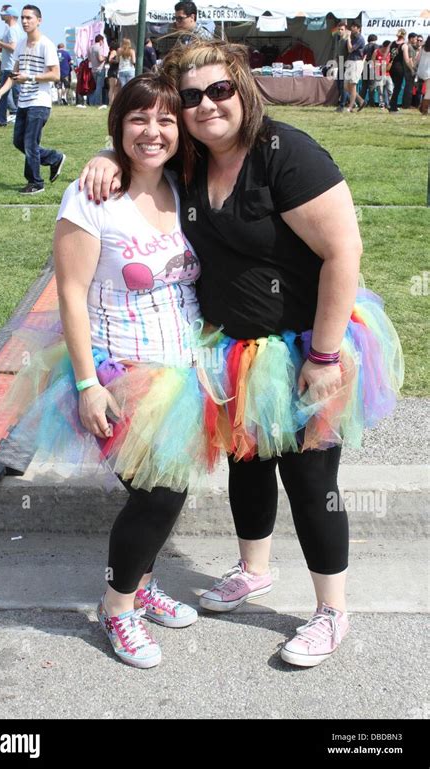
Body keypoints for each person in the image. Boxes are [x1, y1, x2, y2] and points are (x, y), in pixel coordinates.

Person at [79, 40, 403, 668]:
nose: (207, 105)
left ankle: (331, 611)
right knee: (248, 466)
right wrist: (106, 155)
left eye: (220, 90)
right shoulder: (193, 160)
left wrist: (324, 357)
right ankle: (254, 569)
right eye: (191, 96)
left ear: (244, 89)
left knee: (311, 480)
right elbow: (144, 146)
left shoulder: (288, 154)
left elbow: (344, 253)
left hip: (306, 345)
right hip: (231, 352)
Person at [0, 72, 217, 669]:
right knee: (157, 497)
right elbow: (69, 293)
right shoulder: (91, 198)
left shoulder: (183, 186)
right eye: (138, 118)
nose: (153, 131)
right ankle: (117, 608)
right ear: (118, 125)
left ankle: (140, 584)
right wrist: (89, 384)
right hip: (119, 375)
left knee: (168, 491)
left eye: (165, 119)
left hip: (185, 373)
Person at [0, 4, 66, 195]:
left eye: (29, 18)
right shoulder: (21, 45)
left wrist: (30, 78)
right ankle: (54, 158)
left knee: (30, 143)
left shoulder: (46, 45)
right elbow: (14, 75)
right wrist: (0, 93)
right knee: (19, 141)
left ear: (39, 21)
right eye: (23, 18)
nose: (25, 21)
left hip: (39, 102)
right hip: (23, 101)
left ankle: (35, 183)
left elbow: (55, 75)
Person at [0, 5, 23, 126]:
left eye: (4, 14)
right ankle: (18, 117)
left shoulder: (12, 30)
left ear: (10, 16)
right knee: (17, 94)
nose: (1, 16)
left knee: (3, 95)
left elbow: (13, 47)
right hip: (13, 65)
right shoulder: (16, 29)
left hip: (9, 66)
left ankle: (1, 120)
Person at [344, 21, 366, 112]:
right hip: (350, 61)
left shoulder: (360, 38)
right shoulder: (354, 38)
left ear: (358, 28)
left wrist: (348, 38)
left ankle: (351, 106)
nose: (352, 28)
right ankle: (361, 101)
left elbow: (350, 49)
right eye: (352, 26)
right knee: (346, 86)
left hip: (356, 62)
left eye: (354, 27)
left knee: (352, 85)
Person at [388, 29, 407, 112]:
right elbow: (406, 59)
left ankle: (392, 105)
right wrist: (412, 68)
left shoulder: (392, 43)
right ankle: (392, 106)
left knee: (396, 86)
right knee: (397, 87)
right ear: (404, 35)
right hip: (399, 67)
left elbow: (386, 55)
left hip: (391, 67)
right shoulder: (404, 45)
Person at [332, 21, 349, 112]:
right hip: (340, 64)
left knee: (343, 86)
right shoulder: (339, 40)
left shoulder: (347, 40)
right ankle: (354, 101)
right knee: (339, 85)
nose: (340, 31)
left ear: (345, 30)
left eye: (342, 29)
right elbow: (338, 53)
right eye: (339, 29)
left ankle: (342, 105)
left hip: (346, 64)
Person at [372, 40, 393, 109]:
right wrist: (379, 66)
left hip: (388, 74)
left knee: (390, 90)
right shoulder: (376, 52)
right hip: (379, 74)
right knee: (380, 90)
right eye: (388, 47)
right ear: (384, 47)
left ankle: (391, 104)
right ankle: (382, 104)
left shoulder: (390, 53)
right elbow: (372, 62)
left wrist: (387, 67)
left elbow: (391, 62)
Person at [360, 34, 378, 106]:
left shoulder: (365, 47)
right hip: (371, 66)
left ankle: (360, 101)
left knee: (364, 86)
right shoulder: (375, 46)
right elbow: (376, 54)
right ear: (375, 39)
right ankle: (371, 102)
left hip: (364, 66)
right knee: (371, 86)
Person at [87, 33, 106, 106]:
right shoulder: (99, 48)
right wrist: (105, 58)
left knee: (96, 86)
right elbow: (100, 59)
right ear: (101, 40)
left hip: (93, 69)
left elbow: (89, 59)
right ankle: (97, 102)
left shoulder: (90, 48)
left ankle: (93, 102)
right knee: (99, 87)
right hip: (100, 68)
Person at [402, 32, 418, 109]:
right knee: (409, 88)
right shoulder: (410, 47)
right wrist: (412, 70)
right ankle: (407, 105)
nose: (416, 40)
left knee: (408, 87)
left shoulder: (408, 46)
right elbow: (410, 60)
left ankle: (406, 104)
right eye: (415, 39)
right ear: (411, 38)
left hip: (408, 70)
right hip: (409, 70)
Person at [416, 35, 430, 116]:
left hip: (421, 71)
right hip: (428, 72)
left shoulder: (423, 47)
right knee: (429, 91)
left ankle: (423, 107)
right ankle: (423, 109)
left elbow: (417, 59)